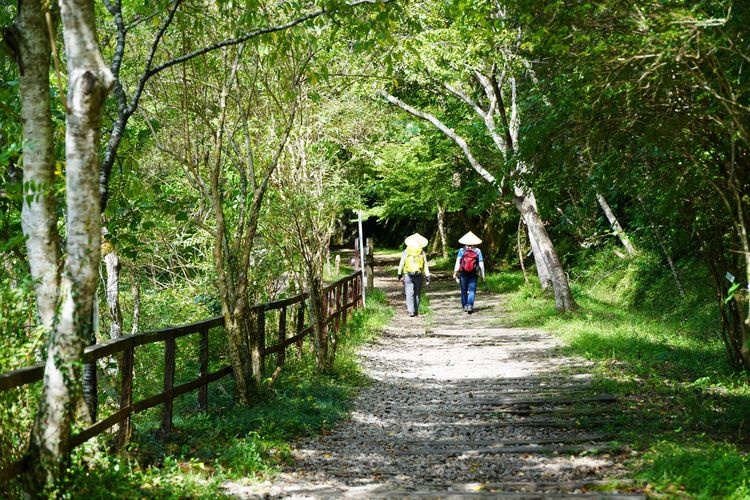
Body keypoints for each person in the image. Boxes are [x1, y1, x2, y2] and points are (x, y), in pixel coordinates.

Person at [397, 233, 431, 317]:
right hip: (419, 274)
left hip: (408, 274)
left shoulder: (406, 251)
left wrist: (399, 273)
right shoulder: (422, 252)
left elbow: (402, 263)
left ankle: (410, 311)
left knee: (409, 293)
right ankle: (416, 310)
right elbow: (425, 264)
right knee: (417, 293)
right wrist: (427, 275)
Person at [452, 231, 486, 313]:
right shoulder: (477, 251)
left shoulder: (462, 250)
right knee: (472, 290)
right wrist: (483, 275)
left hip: (463, 272)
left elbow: (458, 262)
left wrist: (455, 272)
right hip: (474, 273)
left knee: (463, 290)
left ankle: (465, 306)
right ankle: (470, 305)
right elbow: (481, 264)